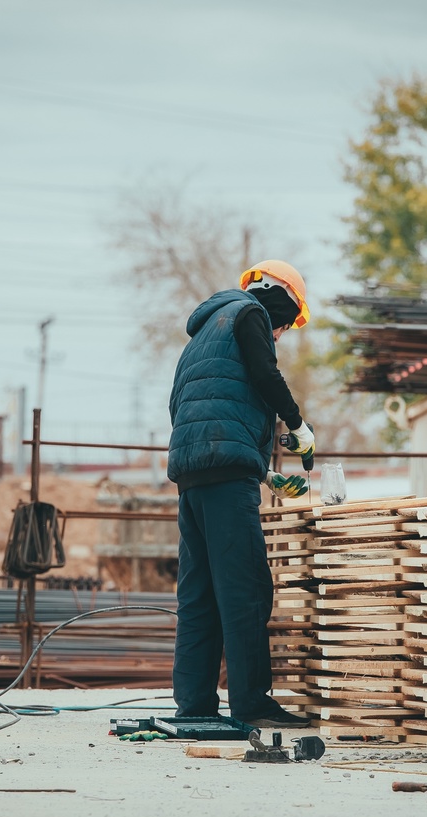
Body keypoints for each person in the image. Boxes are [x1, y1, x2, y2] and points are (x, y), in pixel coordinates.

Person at [167, 259, 316, 728]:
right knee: (245, 589)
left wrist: (263, 473)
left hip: (193, 478)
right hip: (226, 479)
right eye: (288, 321)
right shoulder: (248, 314)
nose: (283, 332)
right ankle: (252, 703)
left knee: (200, 593)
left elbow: (191, 405)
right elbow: (265, 377)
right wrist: (298, 424)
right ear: (280, 298)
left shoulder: (203, 334)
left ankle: (194, 705)